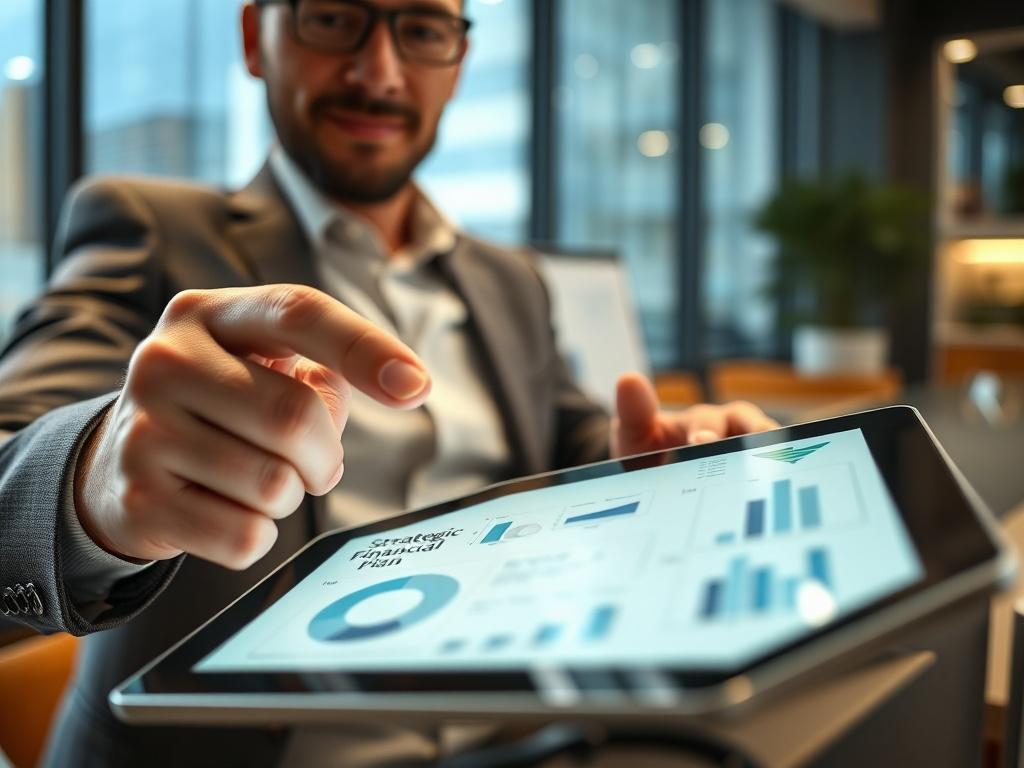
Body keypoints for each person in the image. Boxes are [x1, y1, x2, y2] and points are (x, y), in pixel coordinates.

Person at [0, 0, 777, 764]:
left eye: (422, 30)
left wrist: (661, 461)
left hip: (526, 732)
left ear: (458, 61)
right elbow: (13, 468)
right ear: (255, 37)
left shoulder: (513, 280)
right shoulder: (151, 227)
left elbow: (568, 439)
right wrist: (96, 479)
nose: (379, 72)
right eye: (335, 19)